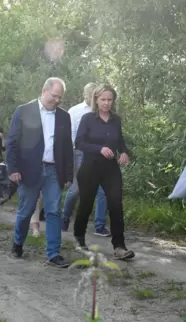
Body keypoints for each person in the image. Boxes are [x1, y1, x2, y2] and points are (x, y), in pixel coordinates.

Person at [6, 77, 73, 268]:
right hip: (29, 170)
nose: (57, 100)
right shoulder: (24, 111)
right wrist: (13, 169)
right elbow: (12, 142)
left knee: (53, 211)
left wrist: (68, 175)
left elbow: (67, 147)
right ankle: (18, 243)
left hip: (53, 170)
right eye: (54, 96)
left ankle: (53, 253)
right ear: (44, 91)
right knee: (26, 211)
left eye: (60, 97)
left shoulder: (64, 117)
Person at [73, 84, 134, 260]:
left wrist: (124, 152)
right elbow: (79, 143)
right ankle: (79, 240)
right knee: (86, 204)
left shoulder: (116, 120)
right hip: (90, 167)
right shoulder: (88, 119)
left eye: (109, 99)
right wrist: (99, 148)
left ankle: (119, 247)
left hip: (110, 169)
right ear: (96, 100)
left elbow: (120, 141)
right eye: (103, 99)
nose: (106, 103)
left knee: (115, 204)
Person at [62, 83, 110, 236]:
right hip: (80, 154)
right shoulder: (75, 111)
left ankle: (99, 226)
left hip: (100, 155)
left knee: (103, 190)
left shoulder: (104, 113)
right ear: (86, 95)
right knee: (76, 189)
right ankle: (64, 218)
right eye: (92, 95)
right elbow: (67, 136)